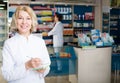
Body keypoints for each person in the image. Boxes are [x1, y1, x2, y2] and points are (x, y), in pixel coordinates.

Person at [1, 6, 51, 83]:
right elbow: (7, 74)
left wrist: (43, 69)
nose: (24, 22)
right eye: (20, 18)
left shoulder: (40, 42)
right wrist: (26, 66)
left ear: (32, 22)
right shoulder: (9, 44)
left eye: (28, 18)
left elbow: (47, 65)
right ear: (15, 21)